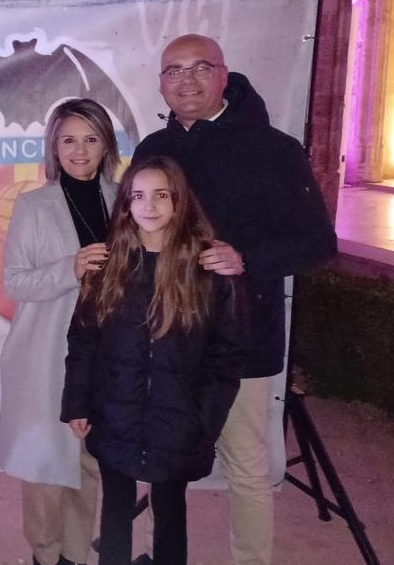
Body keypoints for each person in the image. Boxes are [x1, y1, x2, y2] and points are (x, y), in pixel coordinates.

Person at [132, 33, 337, 564]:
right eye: (173, 71)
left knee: (246, 465)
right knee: (165, 458)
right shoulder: (152, 151)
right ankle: (161, 555)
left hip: (242, 338)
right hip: (168, 338)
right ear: (161, 83)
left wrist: (245, 256)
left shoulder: (273, 149)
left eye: (200, 67)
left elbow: (318, 243)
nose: (187, 80)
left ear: (224, 74)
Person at [62, 156, 245, 565]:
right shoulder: (106, 267)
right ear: (125, 205)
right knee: (115, 512)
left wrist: (205, 418)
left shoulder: (207, 269)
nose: (149, 206)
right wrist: (77, 403)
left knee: (170, 512)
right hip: (114, 413)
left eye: (161, 195)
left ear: (180, 201)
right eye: (138, 196)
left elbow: (226, 355)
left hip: (178, 417)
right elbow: (84, 340)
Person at [0, 98, 120, 565]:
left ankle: (74, 555)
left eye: (91, 138)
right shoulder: (32, 205)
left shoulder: (126, 199)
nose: (81, 150)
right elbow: (15, 282)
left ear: (106, 143)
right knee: (46, 466)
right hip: (46, 353)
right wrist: (69, 268)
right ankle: (44, 555)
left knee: (89, 462)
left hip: (107, 353)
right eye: (69, 139)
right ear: (54, 146)